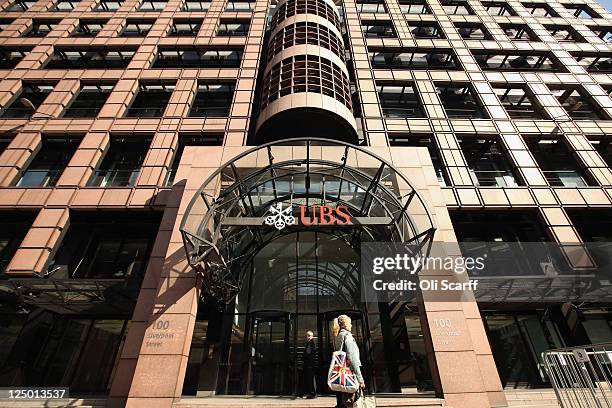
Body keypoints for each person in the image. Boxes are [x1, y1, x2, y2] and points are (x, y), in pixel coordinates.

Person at [332, 314, 365, 407]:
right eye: (350, 323)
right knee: (353, 401)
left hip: (341, 374)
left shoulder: (337, 336)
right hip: (350, 374)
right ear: (345, 324)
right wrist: (360, 378)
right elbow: (352, 358)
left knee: (343, 402)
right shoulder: (347, 336)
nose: (351, 325)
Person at [300, 330, 317, 398]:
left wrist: (302, 358)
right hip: (310, 364)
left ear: (312, 336)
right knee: (311, 379)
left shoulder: (311, 343)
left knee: (311, 379)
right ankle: (311, 393)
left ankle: (312, 393)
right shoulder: (311, 343)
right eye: (307, 336)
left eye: (309, 336)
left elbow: (307, 352)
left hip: (309, 364)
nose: (308, 337)